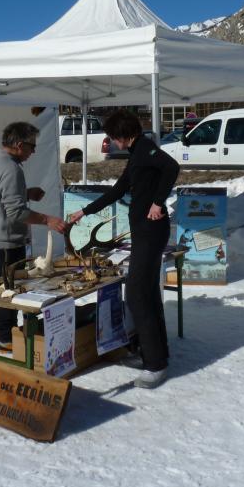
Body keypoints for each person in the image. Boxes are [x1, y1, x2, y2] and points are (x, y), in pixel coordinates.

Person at [68, 110, 180, 389]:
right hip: (144, 232)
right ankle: (153, 353)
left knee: (137, 293)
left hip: (152, 231)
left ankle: (155, 365)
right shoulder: (136, 154)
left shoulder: (146, 149)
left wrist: (157, 202)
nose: (112, 142)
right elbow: (117, 190)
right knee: (146, 292)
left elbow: (172, 168)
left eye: (113, 137)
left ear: (123, 134)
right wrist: (84, 210)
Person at [0, 121, 66, 352]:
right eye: (31, 147)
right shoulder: (12, 169)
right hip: (6, 240)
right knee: (10, 288)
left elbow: (1, 196)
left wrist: (26, 193)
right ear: (18, 144)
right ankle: (6, 339)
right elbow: (15, 212)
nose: (33, 152)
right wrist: (49, 220)